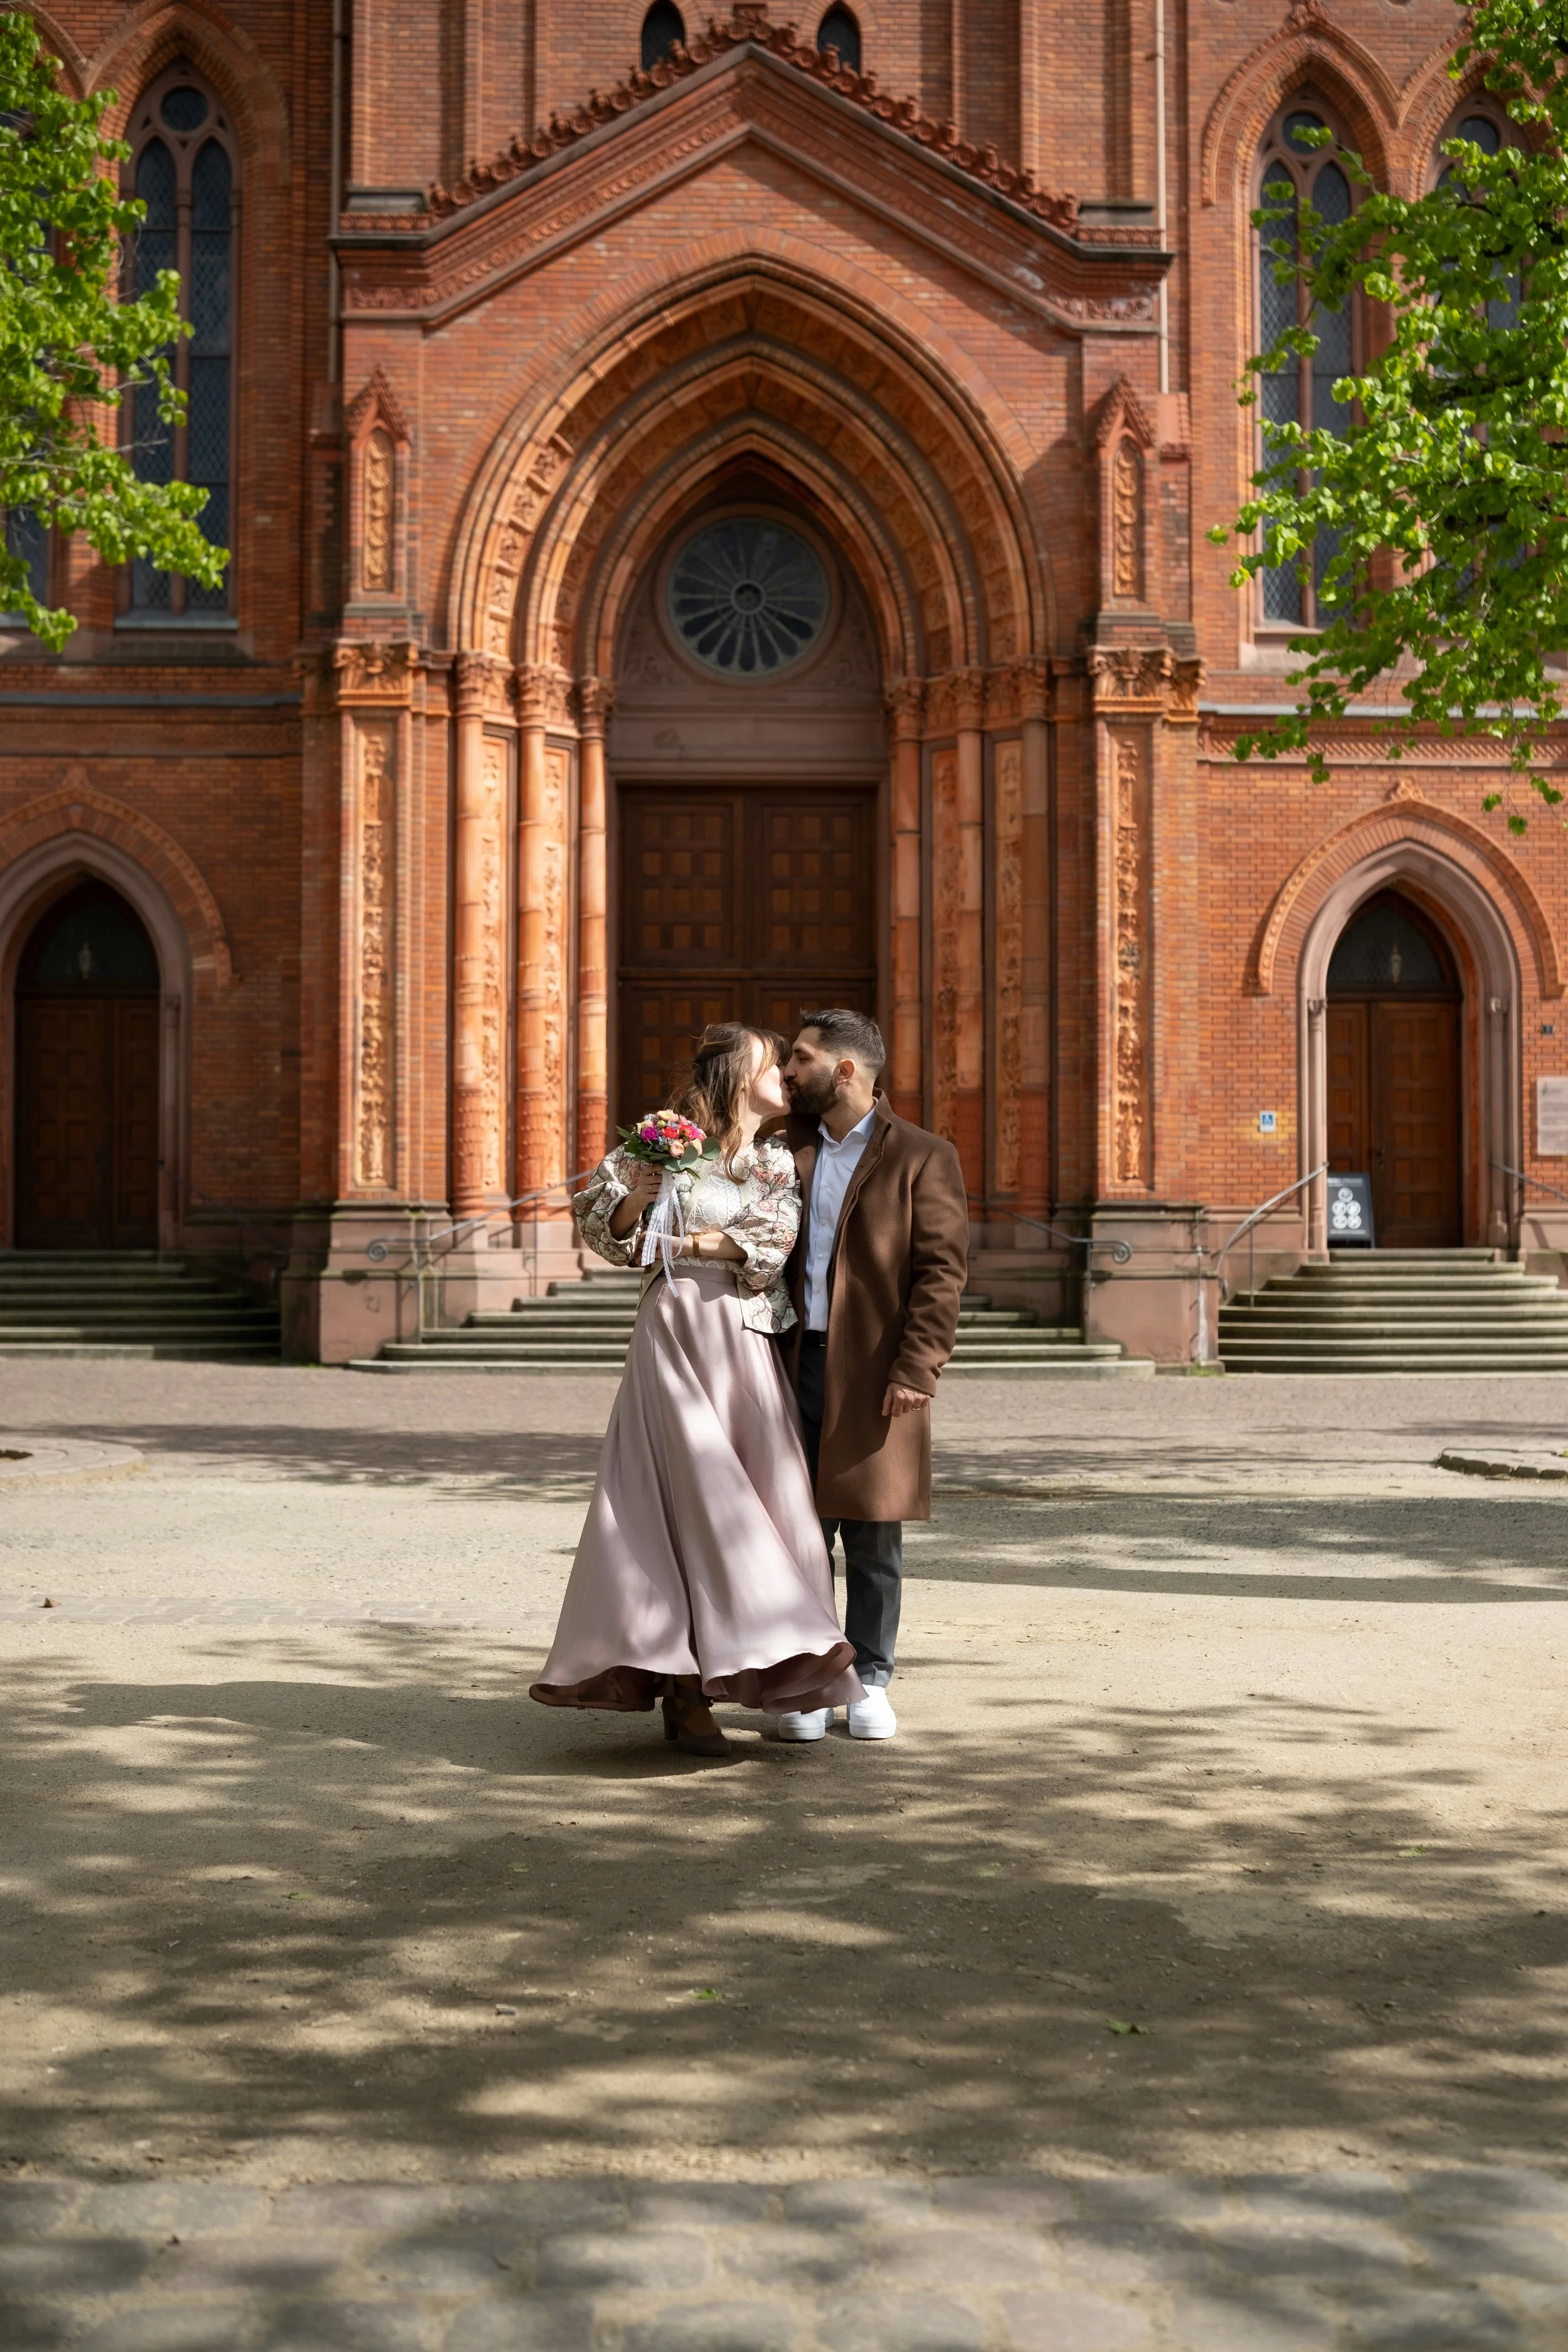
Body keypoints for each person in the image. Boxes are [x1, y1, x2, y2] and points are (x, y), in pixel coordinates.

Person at [529, 1023, 862, 1759]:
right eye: (774, 1064)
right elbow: (605, 1226)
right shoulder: (659, 1143)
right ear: (739, 1075)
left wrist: (684, 1242)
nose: (786, 1076)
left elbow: (769, 1243)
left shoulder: (775, 1159)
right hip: (673, 1330)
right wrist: (638, 1196)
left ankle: (748, 1658)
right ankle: (680, 1687)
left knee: (750, 1503)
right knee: (678, 1502)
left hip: (741, 1336)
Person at [773, 1009, 969, 1743]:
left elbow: (941, 1273)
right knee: (794, 1533)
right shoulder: (779, 1148)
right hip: (788, 1361)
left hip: (876, 1368)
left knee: (872, 1531)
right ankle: (807, 1680)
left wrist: (919, 1364)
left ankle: (870, 1681)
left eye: (801, 1058)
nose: (788, 1071)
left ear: (846, 1069)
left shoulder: (922, 1155)